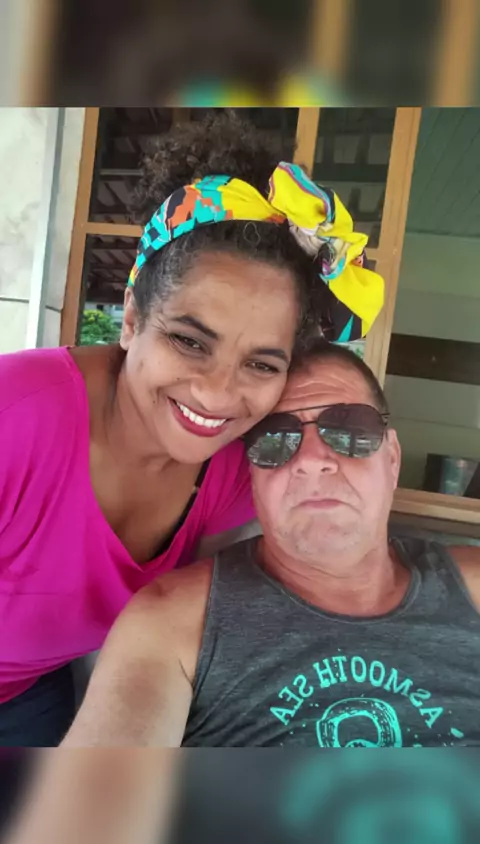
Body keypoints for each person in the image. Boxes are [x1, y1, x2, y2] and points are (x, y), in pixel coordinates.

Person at [0, 112, 383, 748]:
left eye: (261, 364)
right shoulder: (16, 417)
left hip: (31, 695)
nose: (216, 393)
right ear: (130, 320)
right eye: (189, 341)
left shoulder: (239, 465)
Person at [8, 340, 480, 844]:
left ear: (391, 457)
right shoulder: (174, 623)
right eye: (276, 440)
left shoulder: (471, 585)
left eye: (350, 429)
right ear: (250, 476)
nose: (313, 460)